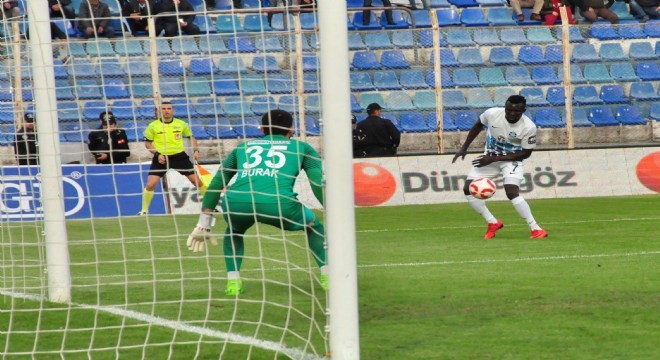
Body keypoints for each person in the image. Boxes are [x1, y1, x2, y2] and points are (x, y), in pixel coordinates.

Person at [186, 109, 328, 295]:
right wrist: (331, 210)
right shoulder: (303, 148)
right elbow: (317, 182)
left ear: (261, 129)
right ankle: (328, 277)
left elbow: (217, 182)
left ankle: (233, 283)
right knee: (313, 225)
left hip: (237, 202)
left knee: (235, 230)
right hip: (278, 203)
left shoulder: (242, 147)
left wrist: (204, 222)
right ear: (291, 129)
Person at [452, 95, 548, 240]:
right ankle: (493, 222)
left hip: (511, 160)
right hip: (489, 158)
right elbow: (478, 125)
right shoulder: (492, 114)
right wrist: (464, 148)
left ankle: (536, 228)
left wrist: (494, 158)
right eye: (509, 110)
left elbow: (525, 153)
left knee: (511, 191)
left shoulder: (529, 127)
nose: (512, 114)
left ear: (524, 111)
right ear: (505, 107)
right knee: (468, 189)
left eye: (517, 111)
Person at [138, 101, 206, 215]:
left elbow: (191, 137)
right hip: (161, 157)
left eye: (169, 108)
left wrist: (195, 150)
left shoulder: (181, 124)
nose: (166, 111)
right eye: (164, 109)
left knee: (197, 182)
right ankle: (144, 211)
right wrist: (157, 154)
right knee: (150, 185)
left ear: (173, 110)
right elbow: (148, 144)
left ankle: (210, 207)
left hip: (179, 156)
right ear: (160, 111)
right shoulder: (153, 126)